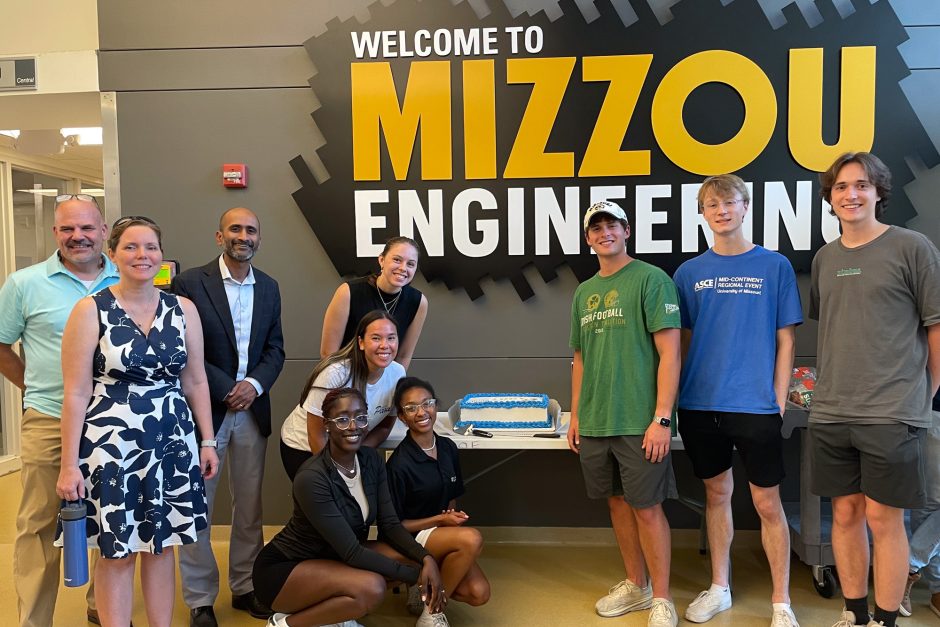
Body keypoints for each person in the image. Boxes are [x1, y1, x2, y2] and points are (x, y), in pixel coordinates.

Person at [55, 216, 219, 627]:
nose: (142, 255)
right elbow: (75, 392)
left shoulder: (183, 309)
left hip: (171, 442)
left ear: (161, 256)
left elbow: (196, 379)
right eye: (130, 247)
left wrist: (208, 440)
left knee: (162, 547)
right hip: (112, 447)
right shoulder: (90, 309)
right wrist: (69, 464)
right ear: (112, 255)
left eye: (150, 247)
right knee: (118, 551)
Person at [809, 152, 940, 627]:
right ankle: (856, 613)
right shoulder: (825, 259)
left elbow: (935, 328)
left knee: (885, 520)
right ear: (831, 198)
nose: (851, 195)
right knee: (844, 516)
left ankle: (885, 620)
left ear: (879, 193)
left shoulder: (913, 247)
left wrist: (922, 398)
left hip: (892, 411)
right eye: (841, 187)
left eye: (862, 185)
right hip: (831, 411)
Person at [672, 174, 803, 626]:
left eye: (730, 202)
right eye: (712, 204)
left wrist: (778, 399)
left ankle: (781, 602)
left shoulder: (775, 266)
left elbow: (786, 340)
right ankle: (720, 588)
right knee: (716, 494)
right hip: (700, 405)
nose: (721, 210)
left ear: (745, 207)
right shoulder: (688, 273)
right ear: (703, 214)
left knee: (768, 503)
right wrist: (675, 398)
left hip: (756, 405)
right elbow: (681, 343)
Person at [0, 194, 118, 627]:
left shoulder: (128, 278)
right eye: (68, 229)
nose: (78, 236)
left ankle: (99, 606)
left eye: (87, 228)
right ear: (55, 233)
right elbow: (1, 344)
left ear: (104, 231)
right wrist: (32, 385)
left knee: (110, 519)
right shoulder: (24, 284)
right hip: (49, 418)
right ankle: (34, 620)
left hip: (113, 421)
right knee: (38, 523)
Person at [569, 200, 682, 627]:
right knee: (617, 504)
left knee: (647, 507)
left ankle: (663, 599)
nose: (604, 233)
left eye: (611, 225)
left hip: (640, 421)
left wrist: (662, 417)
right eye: (596, 228)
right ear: (588, 239)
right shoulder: (584, 292)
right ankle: (638, 586)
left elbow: (670, 352)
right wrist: (577, 415)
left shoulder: (652, 280)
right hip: (597, 420)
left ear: (626, 231)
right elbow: (580, 358)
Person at [173, 207, 286, 626]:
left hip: (252, 413)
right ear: (219, 237)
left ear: (259, 237)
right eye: (235, 229)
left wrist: (253, 386)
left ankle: (245, 587)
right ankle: (200, 598)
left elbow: (276, 349)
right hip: (205, 414)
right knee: (197, 507)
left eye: (251, 230)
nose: (244, 236)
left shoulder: (270, 288)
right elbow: (185, 348)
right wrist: (227, 388)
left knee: (250, 507)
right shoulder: (189, 284)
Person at [253, 387, 445, 627]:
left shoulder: (371, 460)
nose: (353, 426)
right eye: (343, 419)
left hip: (331, 557)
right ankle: (284, 624)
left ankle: (335, 618)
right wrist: (418, 577)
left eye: (360, 417)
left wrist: (426, 559)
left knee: (412, 560)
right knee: (373, 587)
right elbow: (352, 552)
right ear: (326, 424)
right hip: (286, 569)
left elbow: (391, 524)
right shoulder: (312, 477)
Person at [386, 377, 491, 626]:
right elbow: (394, 526)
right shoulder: (399, 464)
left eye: (427, 403)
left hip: (440, 533)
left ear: (435, 406)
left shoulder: (447, 448)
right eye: (411, 408)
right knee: (472, 538)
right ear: (401, 416)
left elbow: (451, 498)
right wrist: (440, 520)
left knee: (479, 593)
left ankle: (420, 587)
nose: (421, 412)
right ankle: (431, 613)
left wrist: (449, 525)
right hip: (410, 538)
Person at [281, 310, 404, 480]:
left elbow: (384, 427)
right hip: (304, 446)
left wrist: (356, 456)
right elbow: (316, 434)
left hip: (346, 450)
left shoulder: (398, 373)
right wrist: (335, 474)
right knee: (322, 504)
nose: (385, 345)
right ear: (361, 342)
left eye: (391, 338)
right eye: (376, 338)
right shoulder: (336, 374)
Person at [321, 236, 428, 369]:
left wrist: (392, 385)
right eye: (397, 260)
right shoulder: (348, 292)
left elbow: (403, 356)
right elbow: (328, 353)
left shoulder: (418, 302)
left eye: (410, 264)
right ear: (381, 260)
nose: (403, 268)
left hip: (383, 384)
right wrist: (346, 387)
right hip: (344, 379)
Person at [900, 391, 940, 618]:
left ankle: (907, 566)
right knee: (929, 504)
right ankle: (937, 589)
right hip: (932, 409)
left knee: (930, 507)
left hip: (928, 408)